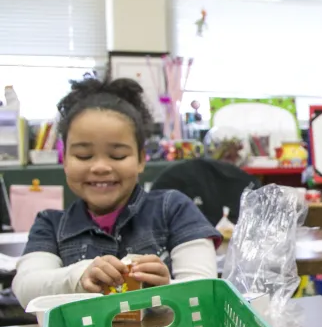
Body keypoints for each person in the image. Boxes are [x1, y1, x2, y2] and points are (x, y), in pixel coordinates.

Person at [13, 76, 220, 309]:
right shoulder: (50, 225)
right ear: (65, 161)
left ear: (141, 159)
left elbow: (205, 289)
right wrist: (79, 276)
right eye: (83, 156)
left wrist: (167, 291)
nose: (100, 167)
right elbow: (25, 287)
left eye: (117, 156)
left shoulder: (174, 209)